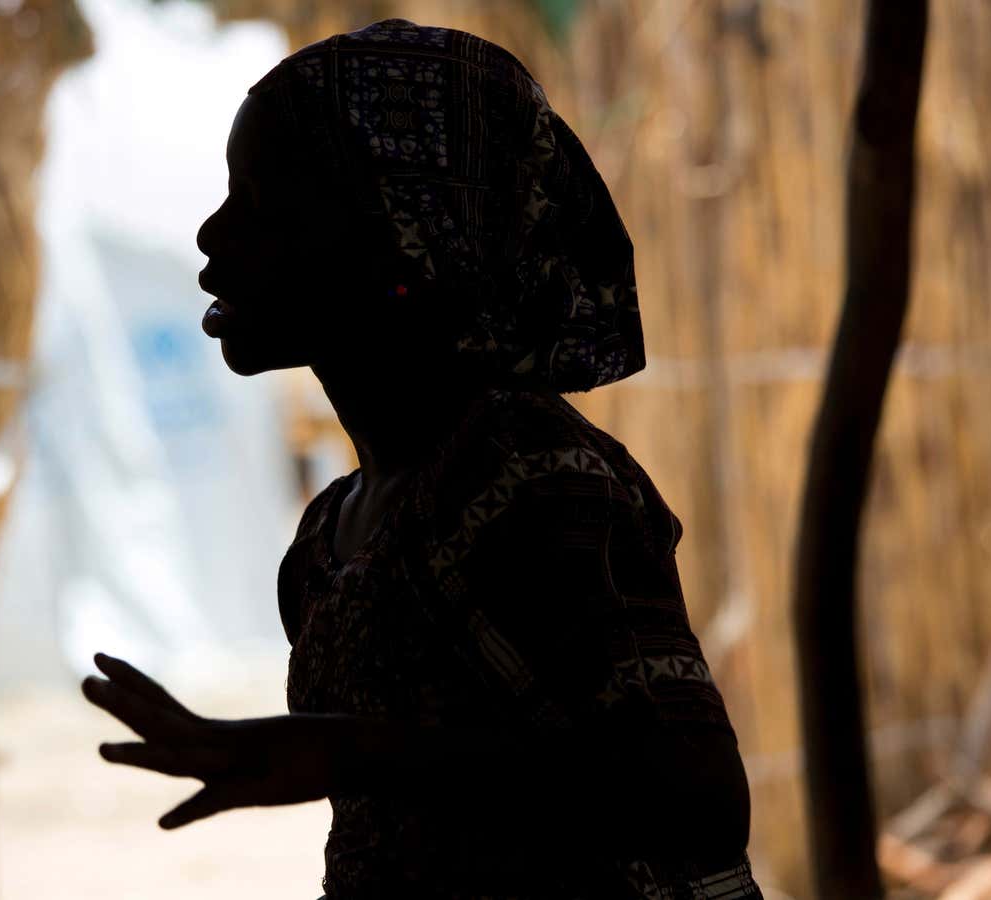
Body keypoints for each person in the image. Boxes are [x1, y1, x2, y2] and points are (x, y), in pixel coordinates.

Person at [81, 18, 760, 898]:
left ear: (405, 234)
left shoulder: (533, 475)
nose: (214, 234)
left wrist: (348, 749)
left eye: (268, 205)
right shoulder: (336, 531)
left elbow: (691, 797)